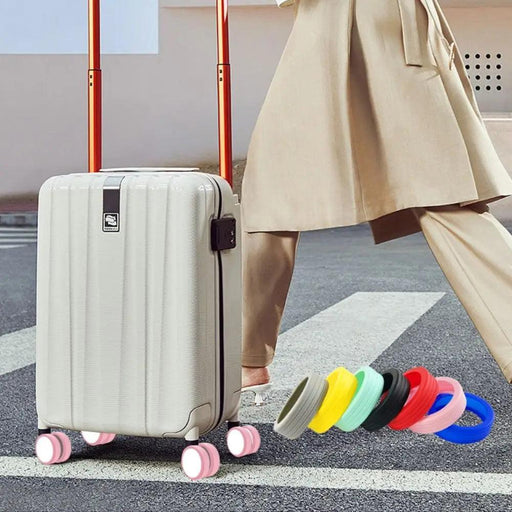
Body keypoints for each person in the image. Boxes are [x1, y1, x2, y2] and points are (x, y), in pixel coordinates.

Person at [239, 0, 512, 400]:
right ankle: (246, 358)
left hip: (353, 23)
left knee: (274, 192)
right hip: (376, 26)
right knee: (441, 194)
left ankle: (246, 358)